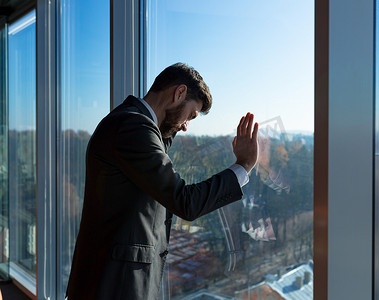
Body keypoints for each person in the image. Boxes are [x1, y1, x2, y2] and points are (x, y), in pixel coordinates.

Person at [66, 63, 259, 299]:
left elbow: (156, 152)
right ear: (179, 93)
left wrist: (173, 122)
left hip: (110, 279)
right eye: (191, 115)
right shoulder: (133, 126)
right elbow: (184, 201)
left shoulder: (128, 122)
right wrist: (243, 165)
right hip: (115, 284)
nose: (186, 126)